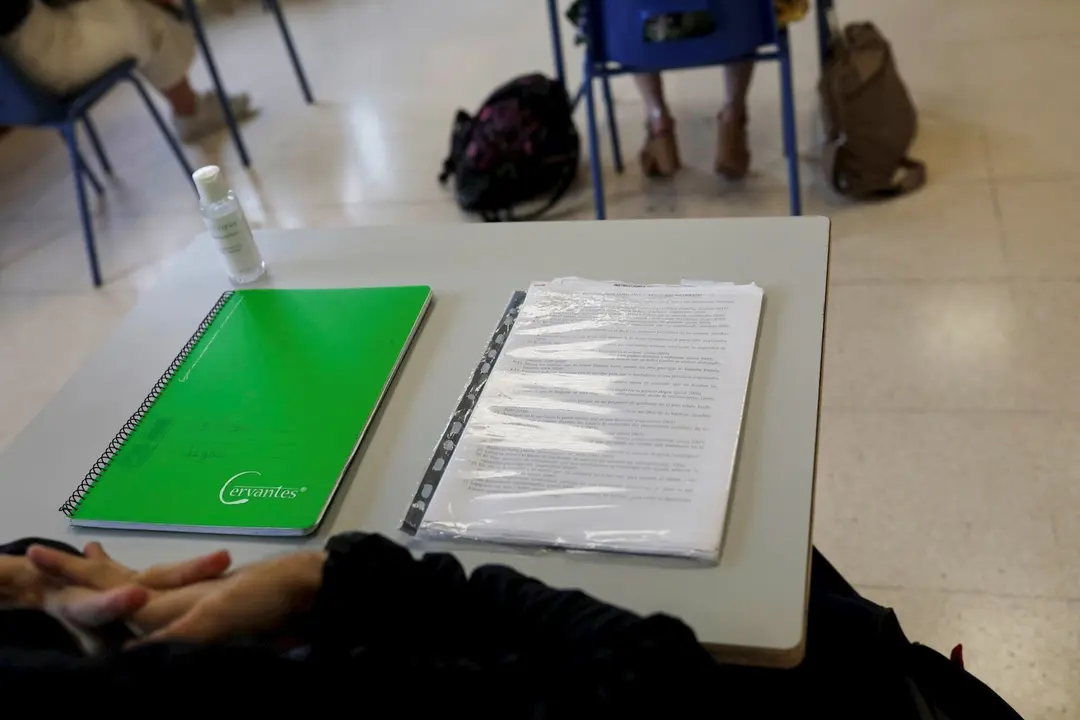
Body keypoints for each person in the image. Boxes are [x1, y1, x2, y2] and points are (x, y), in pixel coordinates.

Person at [0, 0, 254, 143]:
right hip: (42, 57)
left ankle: (189, 107)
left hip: (18, 81)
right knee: (142, 16)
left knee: (122, 8)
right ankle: (190, 112)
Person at [635, 0, 808, 179]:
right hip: (730, 26)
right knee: (744, 18)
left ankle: (658, 121)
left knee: (630, 19)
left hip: (655, 27)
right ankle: (733, 115)